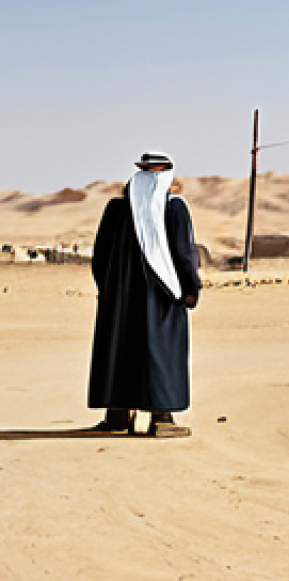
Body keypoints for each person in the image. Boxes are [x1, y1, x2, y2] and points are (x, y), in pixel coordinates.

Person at [88, 152, 201, 436]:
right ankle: (161, 419)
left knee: (120, 350)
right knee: (160, 352)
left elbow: (99, 258)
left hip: (119, 300)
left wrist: (110, 292)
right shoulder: (173, 208)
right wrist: (190, 289)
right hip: (163, 298)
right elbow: (185, 255)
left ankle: (117, 416)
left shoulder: (116, 209)